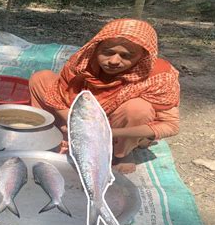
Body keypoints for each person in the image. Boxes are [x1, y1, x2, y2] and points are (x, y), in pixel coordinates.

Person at [29, 18, 180, 174]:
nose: (114, 61)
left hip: (115, 127)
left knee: (138, 109)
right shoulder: (84, 61)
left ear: (143, 56)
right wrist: (79, 125)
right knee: (41, 78)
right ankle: (57, 133)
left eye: (126, 56)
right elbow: (58, 94)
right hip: (80, 116)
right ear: (97, 47)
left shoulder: (159, 76)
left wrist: (106, 132)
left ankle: (121, 152)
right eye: (107, 52)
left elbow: (170, 125)